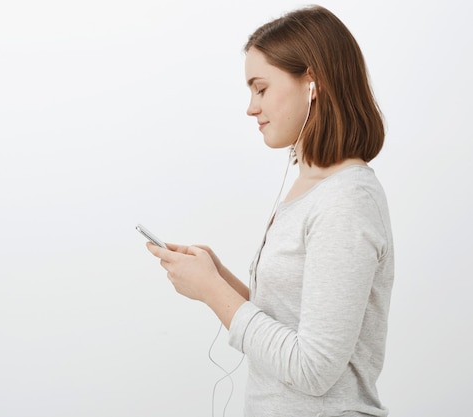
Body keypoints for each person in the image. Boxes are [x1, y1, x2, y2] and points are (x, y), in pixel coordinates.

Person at [144, 4, 394, 417]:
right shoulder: (307, 188)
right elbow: (288, 333)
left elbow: (312, 370)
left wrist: (212, 291)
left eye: (260, 88)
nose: (250, 107)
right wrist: (217, 276)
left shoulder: (346, 200)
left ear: (313, 83)